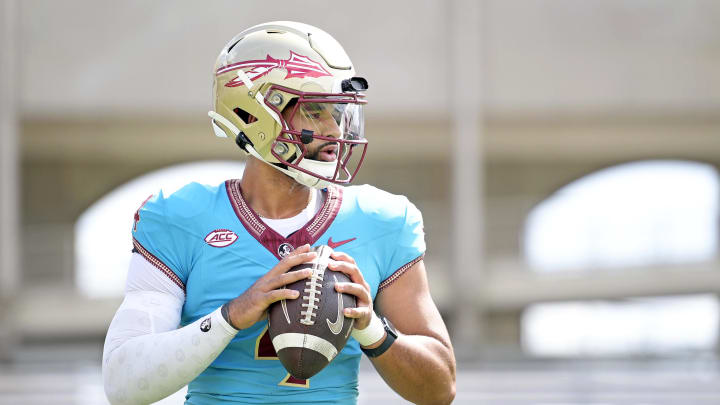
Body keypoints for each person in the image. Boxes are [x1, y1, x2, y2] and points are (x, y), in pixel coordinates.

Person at [102, 21, 456, 405]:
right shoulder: (179, 217)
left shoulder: (383, 221)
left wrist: (372, 330)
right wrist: (232, 316)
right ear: (254, 114)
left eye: (337, 114)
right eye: (315, 111)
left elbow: (440, 390)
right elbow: (124, 384)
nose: (335, 131)